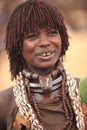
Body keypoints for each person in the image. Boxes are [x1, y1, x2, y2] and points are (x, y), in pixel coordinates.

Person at [0, 0, 86, 129]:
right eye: (32, 36)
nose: (44, 42)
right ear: (17, 45)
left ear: (62, 37)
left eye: (52, 33)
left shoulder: (84, 92)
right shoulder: (5, 104)